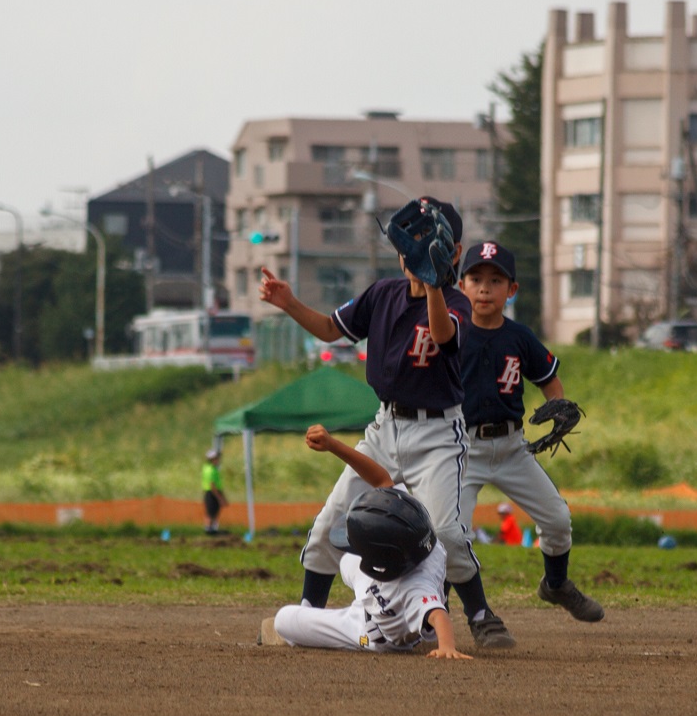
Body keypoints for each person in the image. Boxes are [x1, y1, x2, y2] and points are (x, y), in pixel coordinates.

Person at [258, 197, 516, 650]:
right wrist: (288, 302)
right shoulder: (383, 294)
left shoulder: (456, 301)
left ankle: (480, 614)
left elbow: (441, 335)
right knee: (328, 526)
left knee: (448, 531)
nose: (415, 250)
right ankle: (307, 616)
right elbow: (329, 329)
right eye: (411, 241)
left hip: (438, 434)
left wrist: (434, 283)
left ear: (452, 253)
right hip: (384, 428)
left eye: (429, 242)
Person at [454, 240, 604, 623]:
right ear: (461, 286)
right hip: (461, 449)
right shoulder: (452, 333)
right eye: (475, 278)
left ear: (512, 290)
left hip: (511, 447)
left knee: (556, 519)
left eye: (496, 280)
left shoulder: (519, 337)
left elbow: (549, 380)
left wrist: (558, 407)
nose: (485, 288)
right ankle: (455, 610)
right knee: (452, 534)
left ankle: (555, 585)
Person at [258, 424, 471, 660]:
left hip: (370, 631)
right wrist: (332, 445)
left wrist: (447, 647)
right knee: (347, 559)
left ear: (381, 562)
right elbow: (381, 478)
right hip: (381, 583)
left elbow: (439, 615)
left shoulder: (415, 588)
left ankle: (299, 631)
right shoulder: (413, 530)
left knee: (284, 619)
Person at [201, 448, 229, 535]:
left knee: (214, 511)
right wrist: (220, 498)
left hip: (212, 492)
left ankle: (212, 529)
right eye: (216, 458)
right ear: (212, 459)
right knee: (211, 512)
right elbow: (212, 485)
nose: (218, 460)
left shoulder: (209, 468)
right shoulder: (210, 470)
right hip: (212, 493)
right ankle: (209, 530)